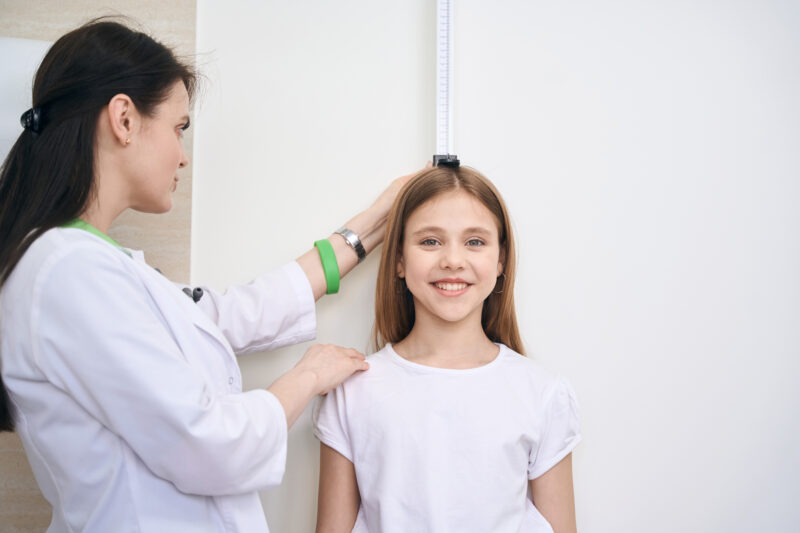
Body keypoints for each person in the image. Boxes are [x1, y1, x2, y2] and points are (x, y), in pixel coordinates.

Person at [0, 19, 416, 533]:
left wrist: (368, 228)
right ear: (124, 120)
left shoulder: (92, 265)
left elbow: (228, 314)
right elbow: (206, 444)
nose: (183, 155)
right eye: (179, 128)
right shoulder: (67, 272)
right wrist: (306, 376)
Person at [314, 165, 581, 532]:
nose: (453, 260)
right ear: (399, 261)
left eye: (475, 242)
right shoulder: (352, 391)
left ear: (500, 260)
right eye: (430, 241)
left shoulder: (542, 393)